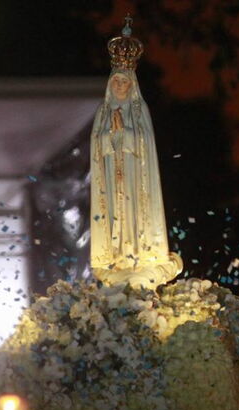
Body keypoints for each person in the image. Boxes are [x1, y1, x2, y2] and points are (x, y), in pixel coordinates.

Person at [89, 16, 182, 288]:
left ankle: (143, 256)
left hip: (135, 178)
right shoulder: (103, 113)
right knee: (115, 216)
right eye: (116, 82)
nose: (120, 87)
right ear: (111, 83)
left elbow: (145, 144)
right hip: (111, 177)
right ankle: (117, 258)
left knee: (135, 212)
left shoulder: (140, 112)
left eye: (125, 83)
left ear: (131, 85)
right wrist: (110, 136)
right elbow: (97, 146)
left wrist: (125, 134)